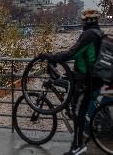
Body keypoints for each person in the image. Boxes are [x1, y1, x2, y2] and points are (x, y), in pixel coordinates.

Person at [41, 9, 104, 155]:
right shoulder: (98, 33)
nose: (81, 22)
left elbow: (72, 53)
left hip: (86, 80)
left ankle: (78, 146)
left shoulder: (88, 35)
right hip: (90, 77)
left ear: (87, 21)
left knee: (78, 112)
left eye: (83, 19)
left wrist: (51, 57)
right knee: (69, 90)